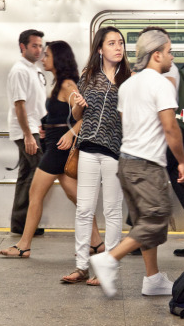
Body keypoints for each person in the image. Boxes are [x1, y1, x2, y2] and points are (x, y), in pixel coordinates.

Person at [90, 30, 184, 297]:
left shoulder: (127, 85)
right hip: (147, 165)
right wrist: (181, 161)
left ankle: (153, 279)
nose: (172, 57)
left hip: (126, 163)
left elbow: (126, 121)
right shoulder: (161, 85)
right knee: (156, 220)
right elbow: (170, 128)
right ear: (156, 55)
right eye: (169, 51)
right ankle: (108, 260)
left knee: (144, 222)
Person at [0, 40, 104, 259]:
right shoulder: (58, 83)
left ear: (59, 58)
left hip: (58, 148)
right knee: (75, 196)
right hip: (54, 144)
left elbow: (85, 114)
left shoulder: (67, 85)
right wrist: (47, 125)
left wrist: (70, 133)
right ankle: (96, 243)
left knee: (35, 193)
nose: (43, 58)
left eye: (47, 55)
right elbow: (61, 114)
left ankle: (24, 245)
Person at [60, 27, 132, 285]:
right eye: (111, 43)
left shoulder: (129, 78)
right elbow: (79, 117)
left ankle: (107, 269)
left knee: (112, 210)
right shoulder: (88, 76)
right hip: (88, 148)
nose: (118, 47)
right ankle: (81, 266)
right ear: (100, 49)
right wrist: (77, 108)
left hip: (115, 151)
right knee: (84, 209)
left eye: (120, 43)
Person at [144, 26, 184, 258]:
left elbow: (166, 108)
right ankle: (142, 231)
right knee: (179, 185)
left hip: (171, 137)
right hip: (169, 137)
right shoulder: (160, 71)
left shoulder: (167, 73)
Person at [4, 30, 47, 235]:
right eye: (34, 46)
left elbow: (34, 104)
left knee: (27, 175)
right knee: (39, 173)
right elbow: (19, 105)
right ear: (23, 47)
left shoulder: (33, 69)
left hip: (33, 127)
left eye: (40, 45)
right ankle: (26, 223)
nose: (39, 50)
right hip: (26, 131)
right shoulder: (19, 71)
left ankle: (19, 223)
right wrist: (28, 135)